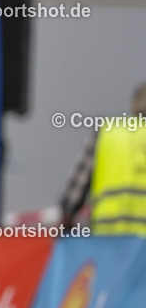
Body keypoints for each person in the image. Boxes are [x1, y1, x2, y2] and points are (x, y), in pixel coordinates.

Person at [60, 83, 146, 235]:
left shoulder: (106, 133)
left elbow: (75, 190)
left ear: (134, 108)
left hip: (108, 240)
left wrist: (65, 223)